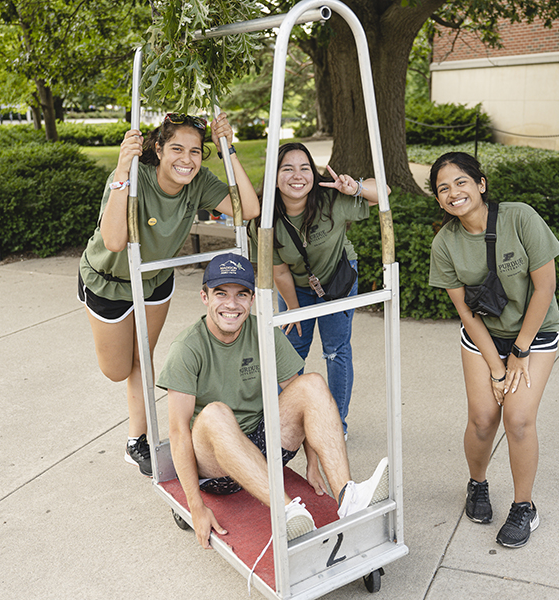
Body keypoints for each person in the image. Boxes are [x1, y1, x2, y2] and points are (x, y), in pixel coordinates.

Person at [158, 253, 390, 548]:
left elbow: (306, 402)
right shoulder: (187, 347)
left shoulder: (263, 332)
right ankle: (288, 513)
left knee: (312, 383)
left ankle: (349, 499)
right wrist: (195, 506)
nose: (231, 304)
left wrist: (313, 463)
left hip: (262, 446)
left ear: (252, 299)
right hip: (216, 467)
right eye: (221, 294)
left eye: (241, 295)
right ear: (205, 297)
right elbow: (179, 432)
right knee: (216, 413)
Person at [78, 112, 260, 477]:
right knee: (117, 369)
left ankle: (136, 441)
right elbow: (114, 241)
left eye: (195, 151)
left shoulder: (199, 182)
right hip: (108, 281)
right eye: (177, 148)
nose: (187, 159)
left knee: (142, 358)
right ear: (159, 149)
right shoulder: (134, 177)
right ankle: (136, 432)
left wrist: (228, 149)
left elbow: (249, 209)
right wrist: (121, 171)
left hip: (155, 279)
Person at [428, 152, 559, 549]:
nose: (453, 193)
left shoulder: (520, 217)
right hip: (484, 334)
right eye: (443, 188)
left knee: (518, 420)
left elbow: (545, 288)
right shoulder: (445, 244)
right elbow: (466, 313)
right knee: (483, 419)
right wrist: (497, 369)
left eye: (461, 182)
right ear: (438, 199)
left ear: (481, 184)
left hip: (534, 333)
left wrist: (519, 353)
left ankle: (524, 507)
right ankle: (477, 484)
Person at [248, 142, 389, 438]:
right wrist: (293, 308)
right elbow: (278, 270)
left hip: (337, 279)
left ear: (313, 174)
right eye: (287, 168)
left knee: (336, 350)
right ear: (274, 176)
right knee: (291, 350)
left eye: (304, 168)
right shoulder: (263, 219)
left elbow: (384, 193)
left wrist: (356, 188)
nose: (297, 176)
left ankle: (336, 424)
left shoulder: (331, 200)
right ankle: (286, 421)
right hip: (295, 286)